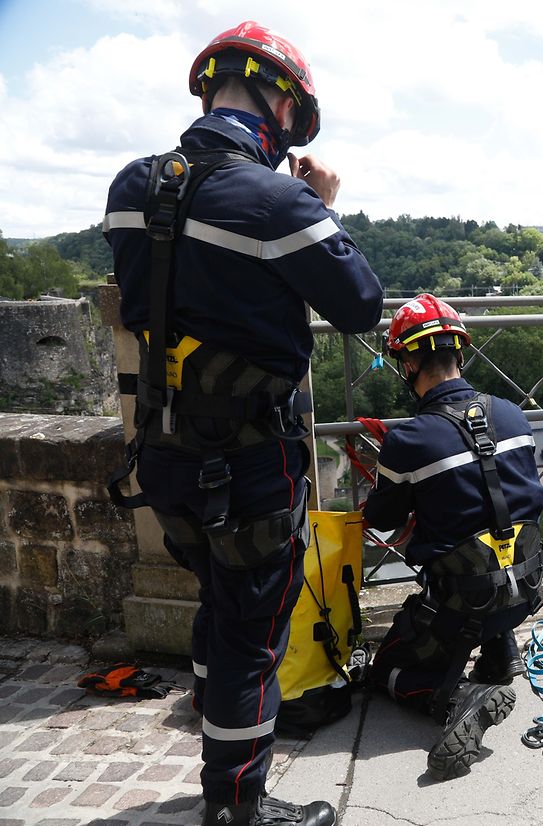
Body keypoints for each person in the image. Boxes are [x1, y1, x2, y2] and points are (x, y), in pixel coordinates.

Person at [103, 21, 383, 826]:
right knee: (250, 638)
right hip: (251, 461)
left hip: (162, 450)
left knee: (217, 604)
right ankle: (237, 807)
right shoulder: (275, 198)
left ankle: (218, 736)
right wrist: (324, 209)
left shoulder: (132, 185)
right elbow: (360, 304)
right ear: (281, 102)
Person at [363, 294, 543, 781]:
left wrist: (392, 465)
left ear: (407, 362)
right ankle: (499, 652)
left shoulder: (409, 440)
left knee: (383, 671)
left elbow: (381, 519)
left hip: (460, 606)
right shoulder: (512, 413)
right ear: (459, 353)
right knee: (488, 540)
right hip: (525, 591)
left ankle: (458, 696)